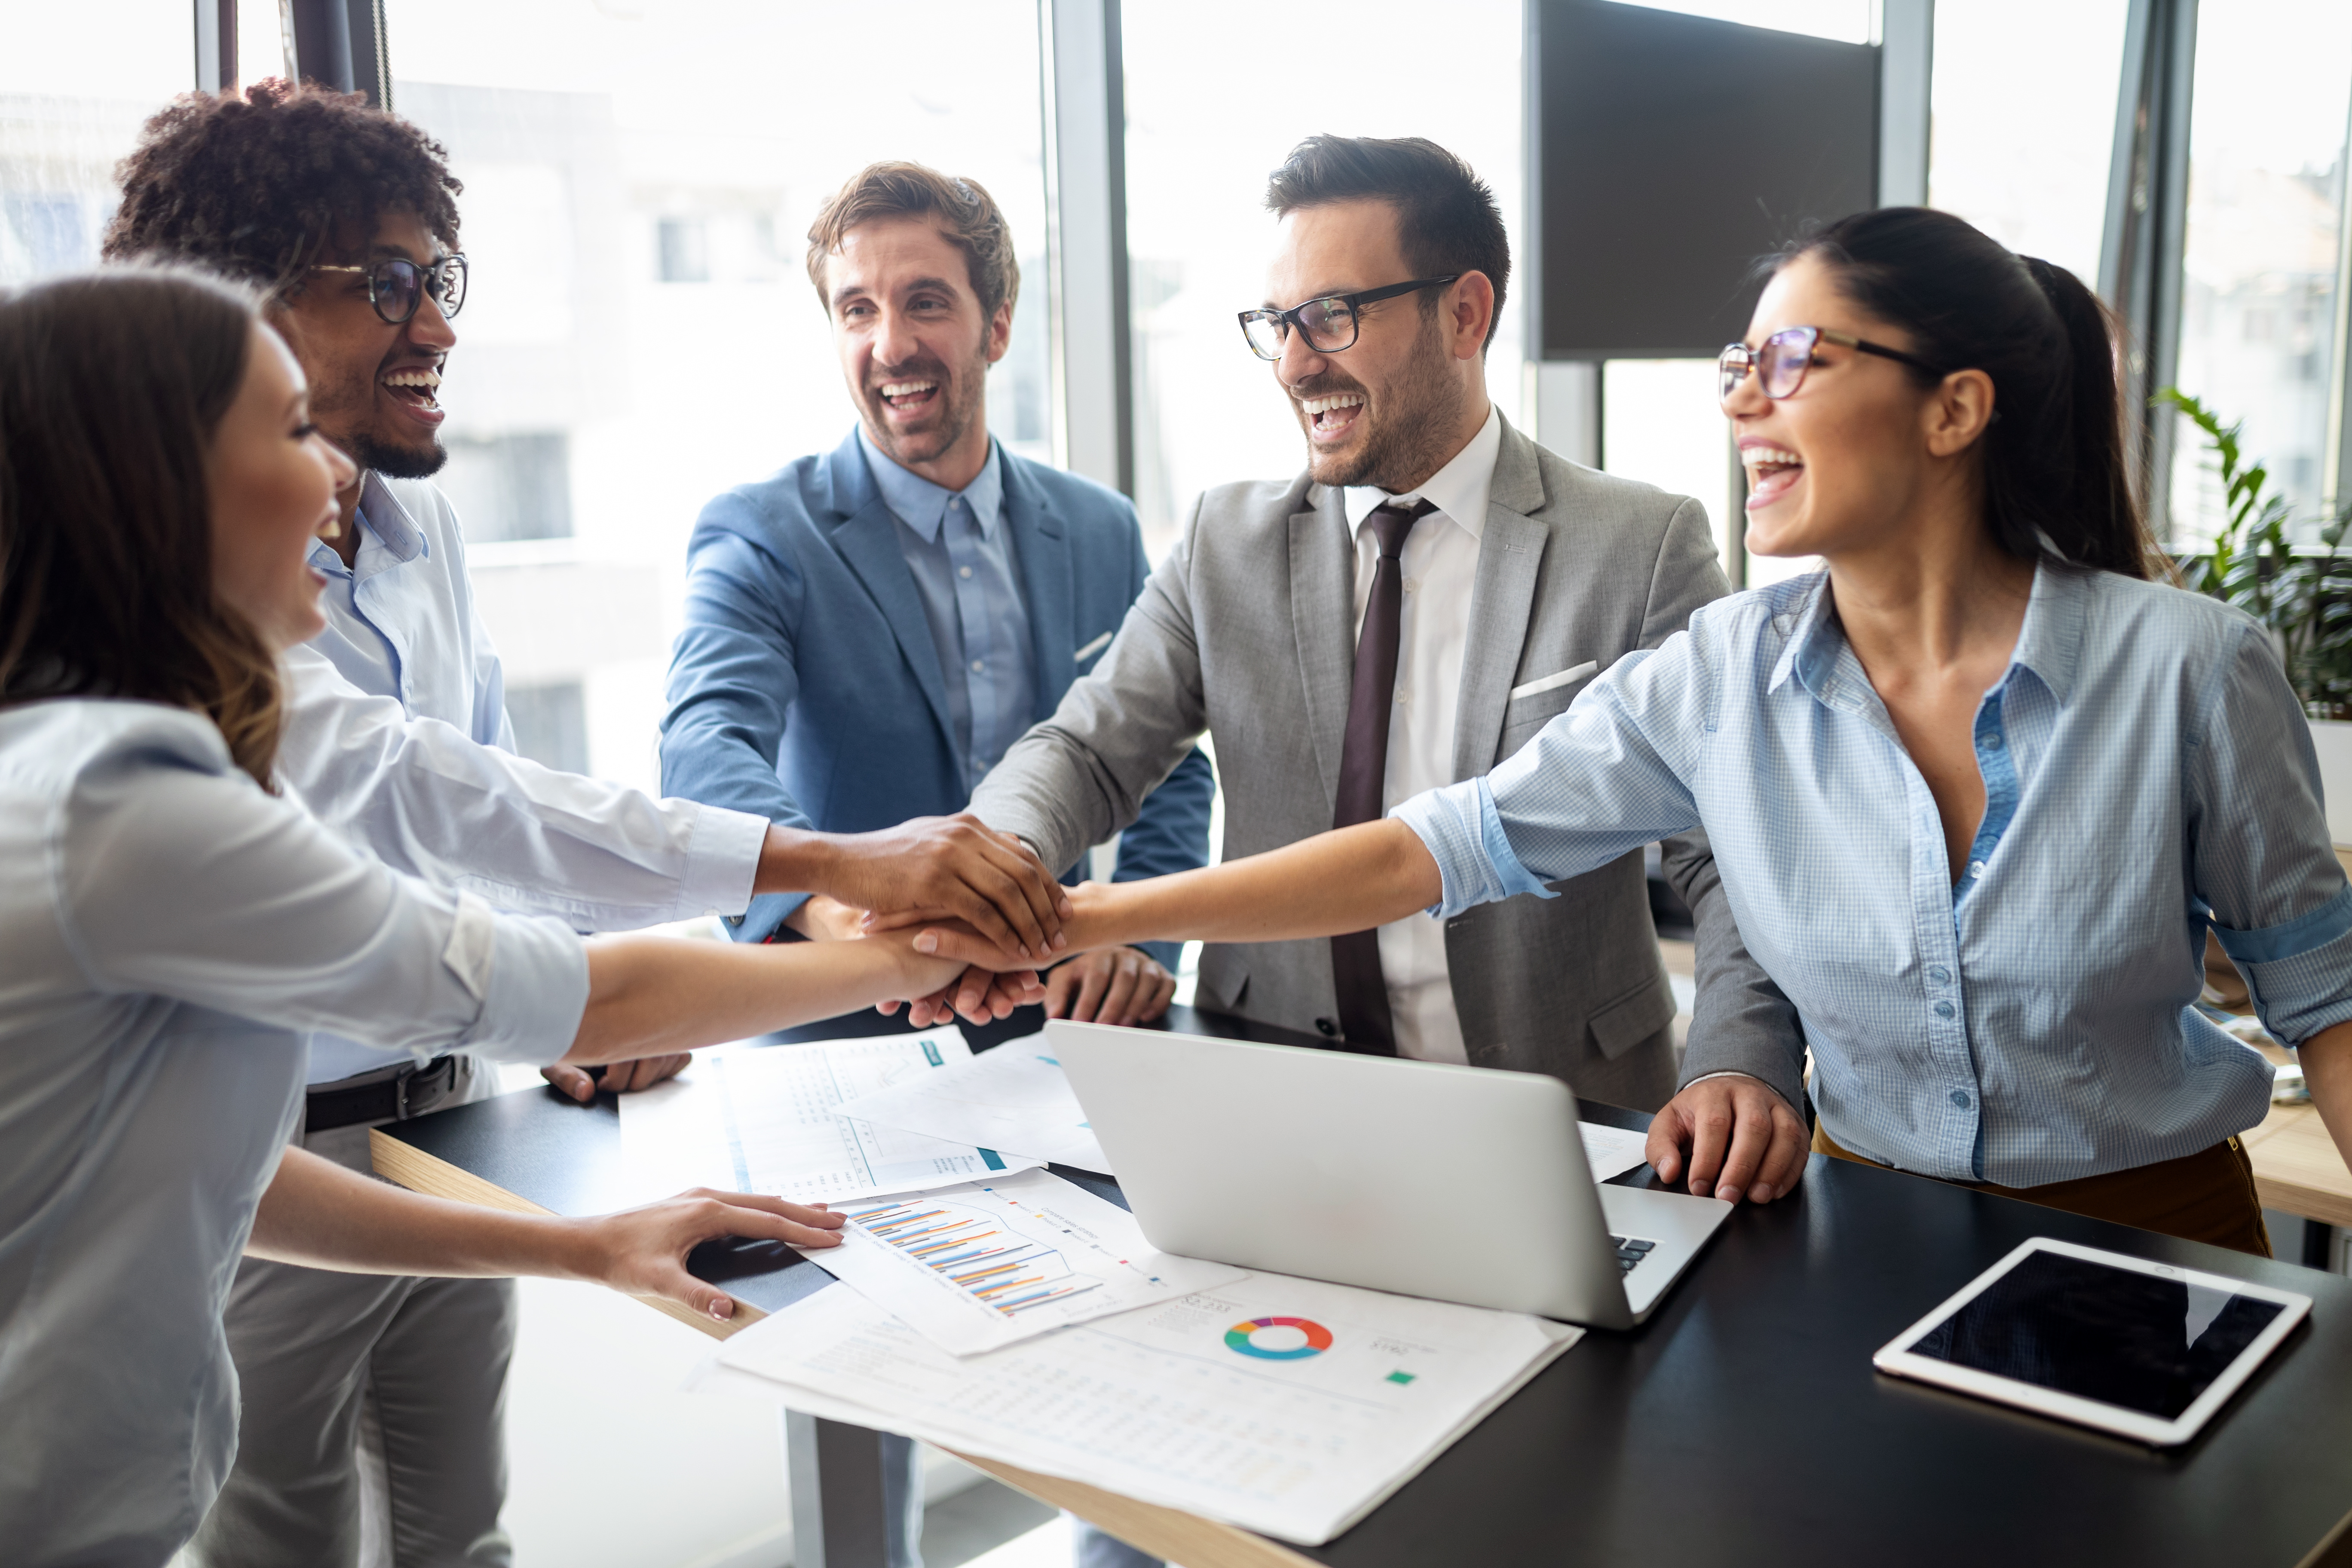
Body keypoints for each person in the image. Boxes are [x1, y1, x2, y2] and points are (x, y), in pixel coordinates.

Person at [916, 206, 2352, 1253]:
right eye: (1738, 361)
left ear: (1953, 408)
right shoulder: (1727, 668)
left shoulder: (2190, 669)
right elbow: (1432, 847)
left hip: (2160, 1244)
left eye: (1791, 359)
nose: (1740, 397)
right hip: (1860, 1238)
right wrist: (1084, 910)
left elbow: (2328, 1006)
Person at [102, 84, 1064, 1568]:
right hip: (266, 1154)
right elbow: (425, 783)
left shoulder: (419, 527)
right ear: (240, 308)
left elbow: (485, 787)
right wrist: (836, 875)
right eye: (387, 284)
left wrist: (573, 986)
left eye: (441, 276)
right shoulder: (179, 590)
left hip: (441, 1111)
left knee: (462, 1533)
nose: (436, 323)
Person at [954, 135, 1796, 1105]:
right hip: (1270, 1079)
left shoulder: (1640, 544)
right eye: (1279, 323)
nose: (1296, 365)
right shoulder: (1224, 540)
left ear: (1465, 314)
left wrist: (1738, 1057)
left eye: (1333, 317)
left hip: (1566, 1098)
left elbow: (1729, 850)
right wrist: (995, 871)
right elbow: (1089, 751)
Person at [655, 157, 1215, 1568]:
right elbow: (705, 750)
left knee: (1126, 1364)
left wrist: (1133, 941)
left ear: (996, 319)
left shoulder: (1095, 526)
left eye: (922, 301)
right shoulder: (761, 530)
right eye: (855, 307)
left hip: (1072, 1027)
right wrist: (841, 898)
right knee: (865, 1410)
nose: (888, 343)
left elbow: (1167, 758)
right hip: (842, 1043)